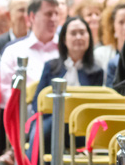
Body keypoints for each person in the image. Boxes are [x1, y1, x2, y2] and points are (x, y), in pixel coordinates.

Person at [31, 16, 104, 153]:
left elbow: (95, 108)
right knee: (50, 125)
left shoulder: (96, 71)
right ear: (64, 39)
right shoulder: (51, 66)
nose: (78, 37)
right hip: (51, 122)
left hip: (82, 128)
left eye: (82, 32)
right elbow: (37, 103)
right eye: (73, 33)